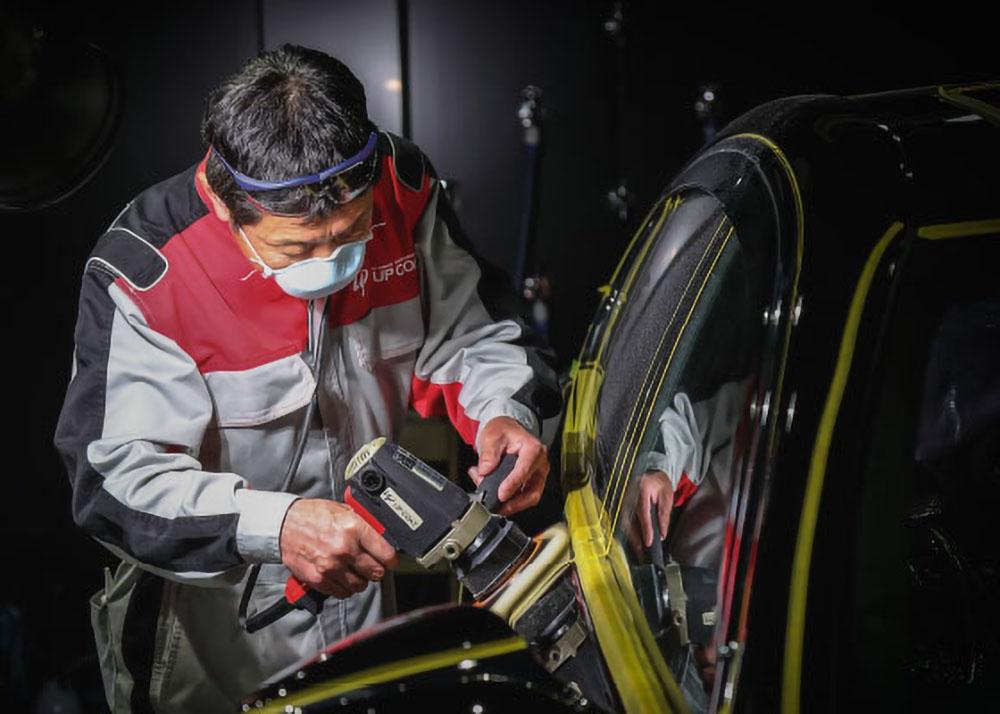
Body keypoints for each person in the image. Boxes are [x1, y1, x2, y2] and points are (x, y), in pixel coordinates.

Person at [54, 45, 560, 713]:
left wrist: (506, 415)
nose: (332, 262)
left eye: (351, 233)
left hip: (364, 612)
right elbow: (115, 484)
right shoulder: (147, 271)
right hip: (201, 643)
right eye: (296, 247)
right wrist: (278, 524)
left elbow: (475, 334)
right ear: (228, 205)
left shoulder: (402, 192)